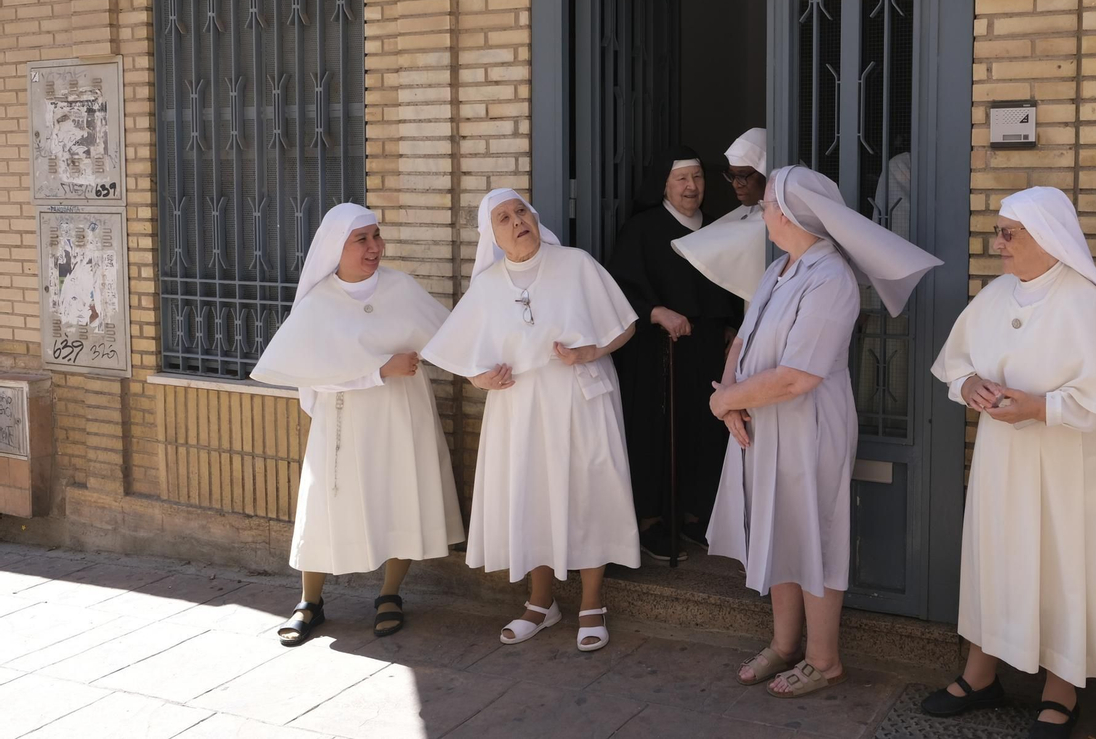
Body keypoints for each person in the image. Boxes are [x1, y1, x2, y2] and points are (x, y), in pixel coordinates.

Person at [924, 187, 1096, 738]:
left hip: (1067, 461)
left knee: (1064, 565)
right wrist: (969, 386)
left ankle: (1061, 689)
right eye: (997, 232)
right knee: (996, 556)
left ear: (1047, 237)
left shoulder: (1083, 301)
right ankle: (981, 674)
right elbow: (957, 364)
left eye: (1008, 233)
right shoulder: (996, 294)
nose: (997, 244)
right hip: (1003, 458)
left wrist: (1041, 407)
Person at [706, 165, 941, 698]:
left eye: (767, 204)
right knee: (779, 528)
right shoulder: (779, 269)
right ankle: (785, 644)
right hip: (761, 420)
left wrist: (723, 401)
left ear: (790, 214)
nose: (761, 212)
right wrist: (731, 397)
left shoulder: (831, 278)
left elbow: (798, 376)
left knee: (814, 532)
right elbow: (742, 340)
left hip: (809, 426)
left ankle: (824, 659)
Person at [421, 188, 640, 652]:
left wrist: (590, 351)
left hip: (579, 398)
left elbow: (625, 325)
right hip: (519, 407)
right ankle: (541, 602)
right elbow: (461, 353)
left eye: (521, 211)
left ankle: (592, 602)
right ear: (492, 236)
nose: (517, 220)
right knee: (532, 494)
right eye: (503, 218)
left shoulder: (576, 264)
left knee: (589, 491)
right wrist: (480, 379)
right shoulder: (487, 286)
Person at [250, 203, 464, 646]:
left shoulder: (401, 288)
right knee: (326, 503)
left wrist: (489, 366)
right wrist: (379, 369)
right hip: (344, 422)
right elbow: (311, 372)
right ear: (336, 247)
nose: (374, 247)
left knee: (402, 495)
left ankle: (390, 594)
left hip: (402, 413)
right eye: (361, 239)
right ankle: (310, 601)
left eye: (376, 236)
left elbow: (451, 338)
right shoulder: (319, 302)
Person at [607, 145, 742, 561]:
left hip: (705, 348)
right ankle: (651, 521)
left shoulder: (718, 229)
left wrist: (731, 326)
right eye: (681, 178)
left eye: (698, 178)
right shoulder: (642, 229)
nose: (691, 186)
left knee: (704, 429)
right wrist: (656, 311)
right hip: (656, 352)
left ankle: (693, 516)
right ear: (664, 185)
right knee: (655, 432)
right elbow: (619, 286)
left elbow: (732, 286)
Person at [672, 127, 770, 303]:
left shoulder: (784, 218)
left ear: (767, 172)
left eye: (742, 176)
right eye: (731, 176)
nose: (735, 184)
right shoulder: (746, 213)